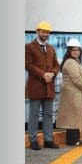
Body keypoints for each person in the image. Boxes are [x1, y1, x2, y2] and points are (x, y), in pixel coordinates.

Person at [25, 21, 60, 150]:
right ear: (38, 32)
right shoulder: (29, 47)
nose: (45, 34)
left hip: (49, 86)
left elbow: (57, 65)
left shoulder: (51, 48)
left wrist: (53, 73)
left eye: (47, 32)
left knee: (48, 114)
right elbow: (28, 65)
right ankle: (33, 140)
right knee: (34, 114)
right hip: (36, 86)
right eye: (43, 32)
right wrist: (43, 74)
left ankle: (48, 140)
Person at [55, 39, 82, 146]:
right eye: (74, 50)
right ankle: (73, 140)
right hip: (73, 93)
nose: (76, 52)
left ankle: (76, 139)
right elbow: (77, 78)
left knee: (75, 117)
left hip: (75, 93)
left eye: (78, 50)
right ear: (69, 51)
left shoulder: (75, 62)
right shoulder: (70, 62)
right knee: (73, 117)